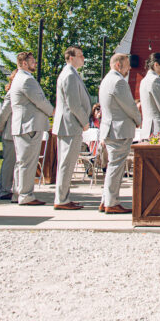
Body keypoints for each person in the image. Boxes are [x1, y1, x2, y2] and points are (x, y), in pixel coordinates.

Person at [8, 52, 55, 206]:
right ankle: (26, 195)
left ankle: (17, 192)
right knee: (28, 161)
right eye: (32, 61)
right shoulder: (27, 80)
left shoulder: (19, 79)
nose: (35, 63)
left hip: (22, 125)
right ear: (23, 64)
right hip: (29, 125)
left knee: (21, 161)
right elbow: (40, 101)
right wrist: (53, 112)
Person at [98, 53, 142, 214]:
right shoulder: (118, 82)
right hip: (119, 129)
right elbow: (129, 105)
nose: (130, 68)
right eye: (127, 64)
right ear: (118, 65)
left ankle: (106, 200)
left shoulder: (106, 81)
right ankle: (112, 201)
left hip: (110, 127)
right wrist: (138, 119)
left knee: (112, 166)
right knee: (116, 167)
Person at [53, 46, 91, 210]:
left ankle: (63, 197)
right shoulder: (69, 75)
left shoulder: (73, 74)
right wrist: (84, 121)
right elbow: (73, 103)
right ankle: (61, 199)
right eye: (80, 55)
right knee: (67, 163)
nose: (83, 58)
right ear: (70, 57)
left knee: (67, 163)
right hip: (70, 124)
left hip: (70, 124)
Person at [0, 70, 18, 201]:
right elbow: (3, 113)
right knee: (9, 163)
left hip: (12, 132)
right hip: (10, 133)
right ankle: (4, 190)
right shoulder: (11, 94)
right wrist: (0, 128)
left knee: (9, 163)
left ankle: (2, 188)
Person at [138, 52, 160, 136]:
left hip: (147, 127)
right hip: (157, 127)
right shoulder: (156, 80)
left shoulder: (144, 80)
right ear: (156, 64)